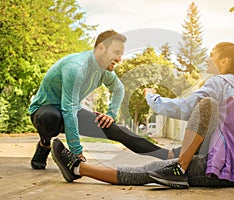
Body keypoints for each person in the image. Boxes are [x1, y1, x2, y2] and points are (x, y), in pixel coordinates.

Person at [51, 42, 234, 189]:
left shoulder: (218, 84)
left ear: (224, 61)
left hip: (219, 172)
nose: (207, 58)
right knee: (205, 112)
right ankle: (176, 160)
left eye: (211, 54)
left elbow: (185, 108)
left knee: (150, 169)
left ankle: (78, 168)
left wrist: (152, 97)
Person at [28, 29, 175, 170]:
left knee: (117, 130)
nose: (119, 59)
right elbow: (68, 109)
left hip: (71, 110)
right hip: (45, 110)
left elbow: (119, 89)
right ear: (100, 48)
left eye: (121, 54)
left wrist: (111, 114)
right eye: (116, 53)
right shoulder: (76, 67)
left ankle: (168, 155)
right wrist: (77, 153)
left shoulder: (103, 71)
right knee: (50, 118)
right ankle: (44, 144)